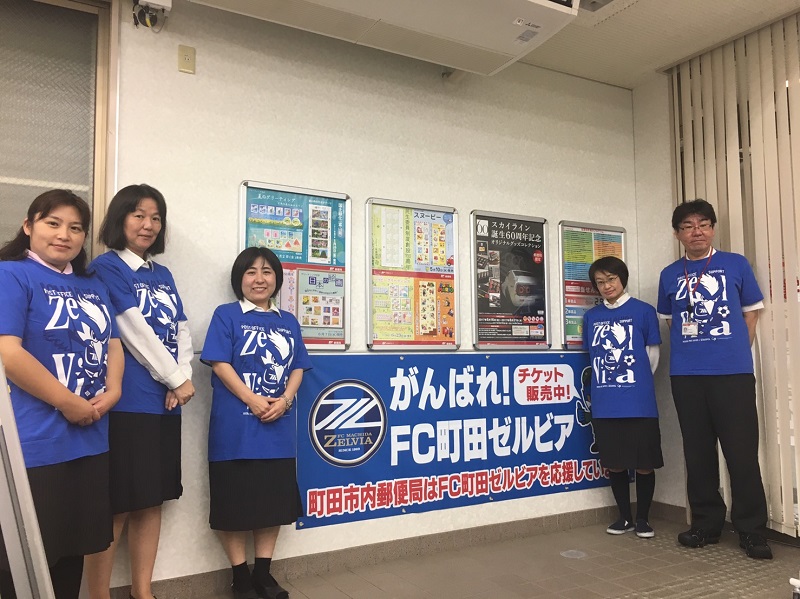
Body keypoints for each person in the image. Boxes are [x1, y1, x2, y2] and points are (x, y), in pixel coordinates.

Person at [0, 190, 124, 599]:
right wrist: (68, 403)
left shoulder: (92, 284)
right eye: (52, 223)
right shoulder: (11, 274)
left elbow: (112, 344)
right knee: (25, 562)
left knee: (73, 550)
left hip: (90, 438)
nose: (64, 235)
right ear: (28, 225)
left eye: (75, 228)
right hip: (35, 443)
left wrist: (114, 390)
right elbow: (8, 353)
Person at [85, 184, 195, 599]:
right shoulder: (106, 267)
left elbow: (181, 329)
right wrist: (175, 379)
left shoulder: (161, 274)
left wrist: (180, 379)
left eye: (156, 217)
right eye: (139, 215)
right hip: (128, 403)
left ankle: (142, 592)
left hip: (165, 403)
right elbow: (132, 329)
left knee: (151, 501)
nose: (148, 225)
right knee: (116, 504)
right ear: (120, 219)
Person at [657, 199, 771, 559]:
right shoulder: (669, 274)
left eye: (703, 224)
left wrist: (732, 351)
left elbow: (751, 315)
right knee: (698, 453)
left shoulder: (736, 264)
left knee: (741, 454)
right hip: (687, 377)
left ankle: (752, 531)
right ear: (677, 234)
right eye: (688, 226)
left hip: (732, 375)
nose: (697, 232)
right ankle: (706, 524)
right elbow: (672, 322)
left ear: (713, 228)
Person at [201, 247, 311, 599]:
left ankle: (263, 575)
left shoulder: (288, 320)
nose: (259, 279)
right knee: (234, 506)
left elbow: (298, 366)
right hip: (234, 431)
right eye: (251, 272)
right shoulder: (226, 315)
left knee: (271, 505)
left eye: (266, 272)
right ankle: (240, 578)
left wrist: (286, 399)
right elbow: (219, 363)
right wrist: (251, 398)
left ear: (277, 279)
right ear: (240, 279)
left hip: (278, 430)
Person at [583, 256, 662, 539]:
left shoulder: (644, 311)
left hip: (639, 401)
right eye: (600, 282)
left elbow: (652, 356)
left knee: (644, 463)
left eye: (611, 279)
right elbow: (592, 356)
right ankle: (624, 517)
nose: (606, 286)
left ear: (622, 279)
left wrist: (635, 382)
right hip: (605, 402)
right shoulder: (591, 317)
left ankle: (643, 519)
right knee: (614, 462)